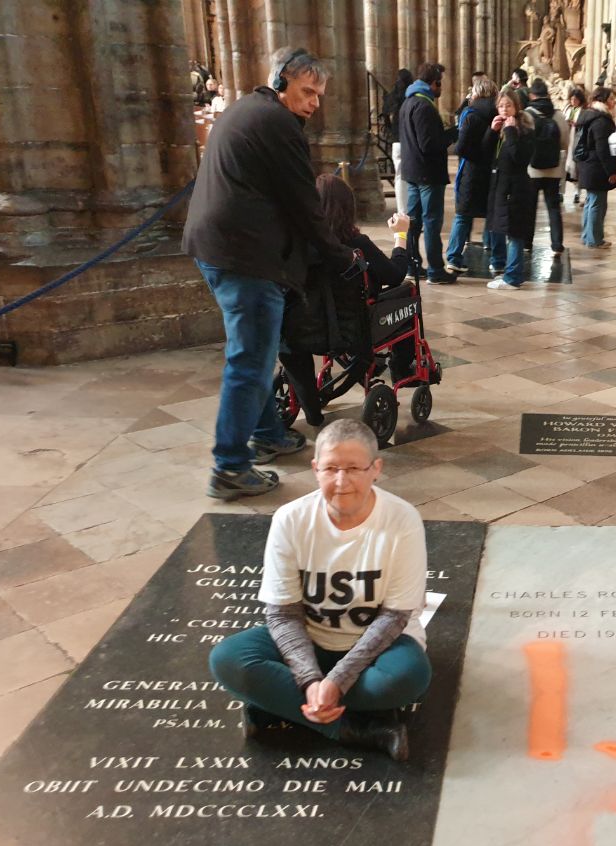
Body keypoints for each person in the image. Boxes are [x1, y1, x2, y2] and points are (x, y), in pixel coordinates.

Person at [184, 46, 355, 502]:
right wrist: (341, 256)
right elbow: (306, 204)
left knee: (253, 352)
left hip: (217, 248)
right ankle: (230, 467)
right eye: (307, 91)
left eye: (319, 94)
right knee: (250, 360)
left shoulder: (247, 109)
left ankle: (267, 432)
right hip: (246, 256)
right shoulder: (278, 124)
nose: (315, 103)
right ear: (281, 82)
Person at [209, 418, 432, 761]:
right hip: (309, 640)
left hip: (376, 649)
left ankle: (280, 706)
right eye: (330, 469)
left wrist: (335, 682)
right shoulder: (290, 518)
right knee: (227, 659)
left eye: (354, 468)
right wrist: (311, 680)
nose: (341, 482)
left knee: (409, 677)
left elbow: (394, 617)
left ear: (376, 469)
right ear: (315, 470)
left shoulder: (402, 520)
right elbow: (282, 614)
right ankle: (352, 729)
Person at [279, 174, 412, 427]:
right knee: (406, 293)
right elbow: (394, 275)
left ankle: (312, 409)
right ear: (348, 208)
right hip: (350, 331)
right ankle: (403, 368)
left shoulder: (295, 244)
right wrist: (401, 237)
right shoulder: (356, 244)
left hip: (300, 330)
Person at [397, 62, 457, 285]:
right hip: (427, 175)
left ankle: (412, 267)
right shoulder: (424, 106)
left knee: (413, 223)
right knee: (431, 222)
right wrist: (454, 133)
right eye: (440, 83)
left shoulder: (407, 102)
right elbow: (429, 145)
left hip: (412, 172)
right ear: (435, 83)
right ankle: (435, 271)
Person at [444, 76, 499, 275]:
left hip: (472, 172)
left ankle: (453, 257)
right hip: (492, 171)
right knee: (491, 216)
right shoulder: (497, 114)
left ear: (477, 93)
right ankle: (495, 257)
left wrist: (476, 156)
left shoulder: (471, 114)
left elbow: (461, 148)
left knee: (463, 216)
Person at [483, 92, 535, 290]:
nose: (504, 109)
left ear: (517, 107)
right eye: (501, 106)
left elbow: (520, 158)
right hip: (501, 188)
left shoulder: (524, 130)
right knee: (502, 229)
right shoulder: (502, 130)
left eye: (508, 105)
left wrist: (511, 131)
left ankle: (513, 277)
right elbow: (486, 154)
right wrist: (492, 132)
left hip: (516, 189)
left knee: (515, 233)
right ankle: (506, 271)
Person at [525, 78, 567, 257]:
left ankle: (527, 243)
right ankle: (557, 244)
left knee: (529, 208)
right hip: (553, 169)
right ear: (548, 94)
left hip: (531, 170)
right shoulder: (558, 115)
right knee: (554, 208)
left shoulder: (526, 114)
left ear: (531, 95)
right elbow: (565, 142)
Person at [574, 87, 616, 249]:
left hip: (588, 165)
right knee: (597, 204)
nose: (614, 102)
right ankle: (594, 239)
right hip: (596, 167)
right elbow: (602, 149)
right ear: (604, 100)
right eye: (612, 98)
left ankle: (588, 236)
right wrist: (611, 171)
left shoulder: (589, 114)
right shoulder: (601, 120)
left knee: (592, 202)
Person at [563, 86, 587, 205]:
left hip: (577, 141)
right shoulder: (568, 109)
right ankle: (564, 192)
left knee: (576, 169)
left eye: (575, 99)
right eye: (572, 99)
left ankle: (577, 193)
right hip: (567, 141)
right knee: (566, 169)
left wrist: (576, 124)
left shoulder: (583, 111)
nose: (573, 102)